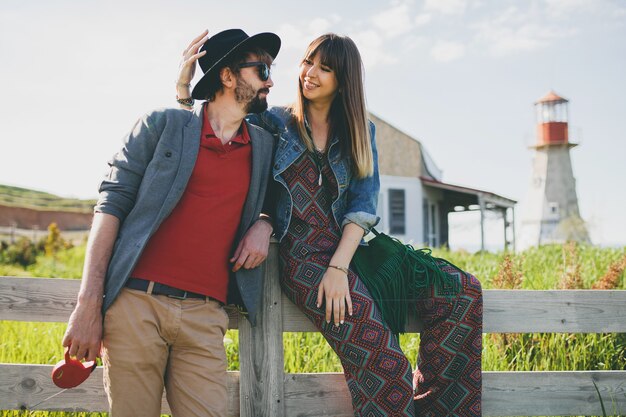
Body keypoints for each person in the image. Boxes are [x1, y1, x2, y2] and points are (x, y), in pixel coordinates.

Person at [176, 32, 483, 417]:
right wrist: (186, 91)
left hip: (355, 251)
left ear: (344, 80)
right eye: (308, 62)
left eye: (325, 68)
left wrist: (339, 266)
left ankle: (438, 409)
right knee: (387, 368)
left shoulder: (360, 130)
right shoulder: (272, 122)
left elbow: (362, 204)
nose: (310, 73)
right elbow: (214, 125)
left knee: (462, 293)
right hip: (304, 260)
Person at [62, 28, 281, 417]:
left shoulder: (265, 146)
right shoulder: (160, 126)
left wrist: (265, 223)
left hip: (205, 317)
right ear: (227, 76)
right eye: (261, 69)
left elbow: (284, 202)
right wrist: (87, 305)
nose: (270, 80)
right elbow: (110, 206)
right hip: (135, 307)